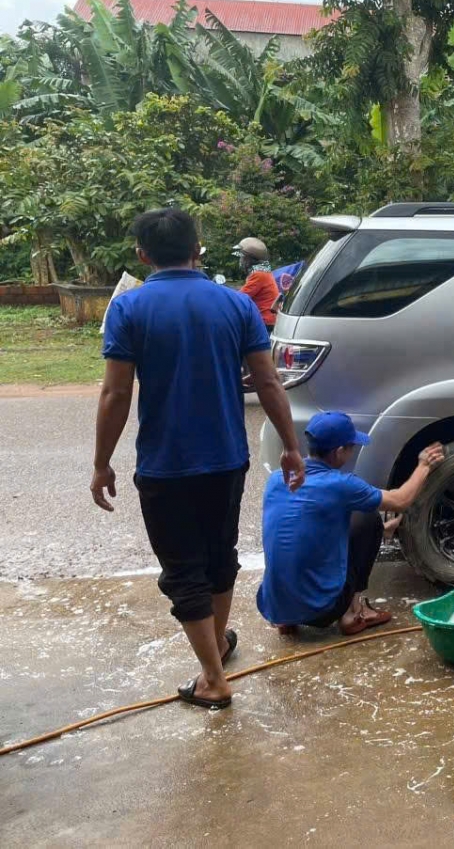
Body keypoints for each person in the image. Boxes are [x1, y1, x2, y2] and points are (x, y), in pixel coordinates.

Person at [92, 208, 305, 711]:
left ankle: (213, 677)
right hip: (227, 459)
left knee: (183, 569)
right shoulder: (236, 305)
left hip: (166, 465)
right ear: (198, 248)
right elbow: (269, 380)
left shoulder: (129, 308)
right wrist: (292, 446)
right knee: (218, 557)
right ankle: (219, 641)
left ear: (143, 254)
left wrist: (102, 462)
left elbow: (115, 394)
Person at [258, 411, 445, 635]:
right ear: (339, 452)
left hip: (274, 607)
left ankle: (287, 621)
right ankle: (352, 613)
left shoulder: (278, 477)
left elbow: (309, 527)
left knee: (335, 522)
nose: (352, 451)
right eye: (351, 447)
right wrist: (424, 465)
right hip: (324, 610)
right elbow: (400, 499)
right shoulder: (341, 485)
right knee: (368, 519)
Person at [233, 237, 280, 331]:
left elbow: (240, 297)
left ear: (250, 259)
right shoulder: (263, 272)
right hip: (266, 319)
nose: (241, 260)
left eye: (243, 257)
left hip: (265, 321)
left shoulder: (259, 275)